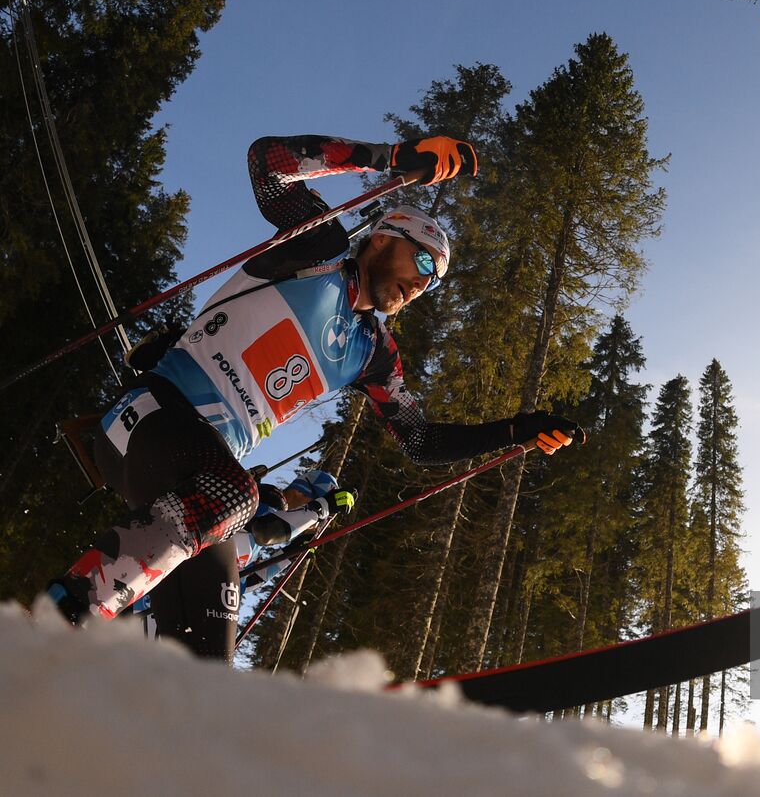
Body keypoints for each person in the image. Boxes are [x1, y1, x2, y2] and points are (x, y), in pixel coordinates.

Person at [47, 133, 582, 661]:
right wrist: (393, 159)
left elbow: (420, 439)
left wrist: (518, 430)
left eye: (434, 281)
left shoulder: (373, 351)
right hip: (148, 418)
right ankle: (64, 610)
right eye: (422, 263)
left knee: (205, 672)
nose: (422, 285)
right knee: (238, 497)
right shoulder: (317, 250)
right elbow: (269, 161)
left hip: (195, 485)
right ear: (381, 239)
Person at [129, 467, 353, 650]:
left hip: (186, 602)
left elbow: (246, 581)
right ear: (304, 495)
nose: (312, 525)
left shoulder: (259, 539)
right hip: (165, 587)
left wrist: (289, 556)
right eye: (313, 516)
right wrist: (322, 509)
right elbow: (267, 531)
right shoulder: (267, 499)